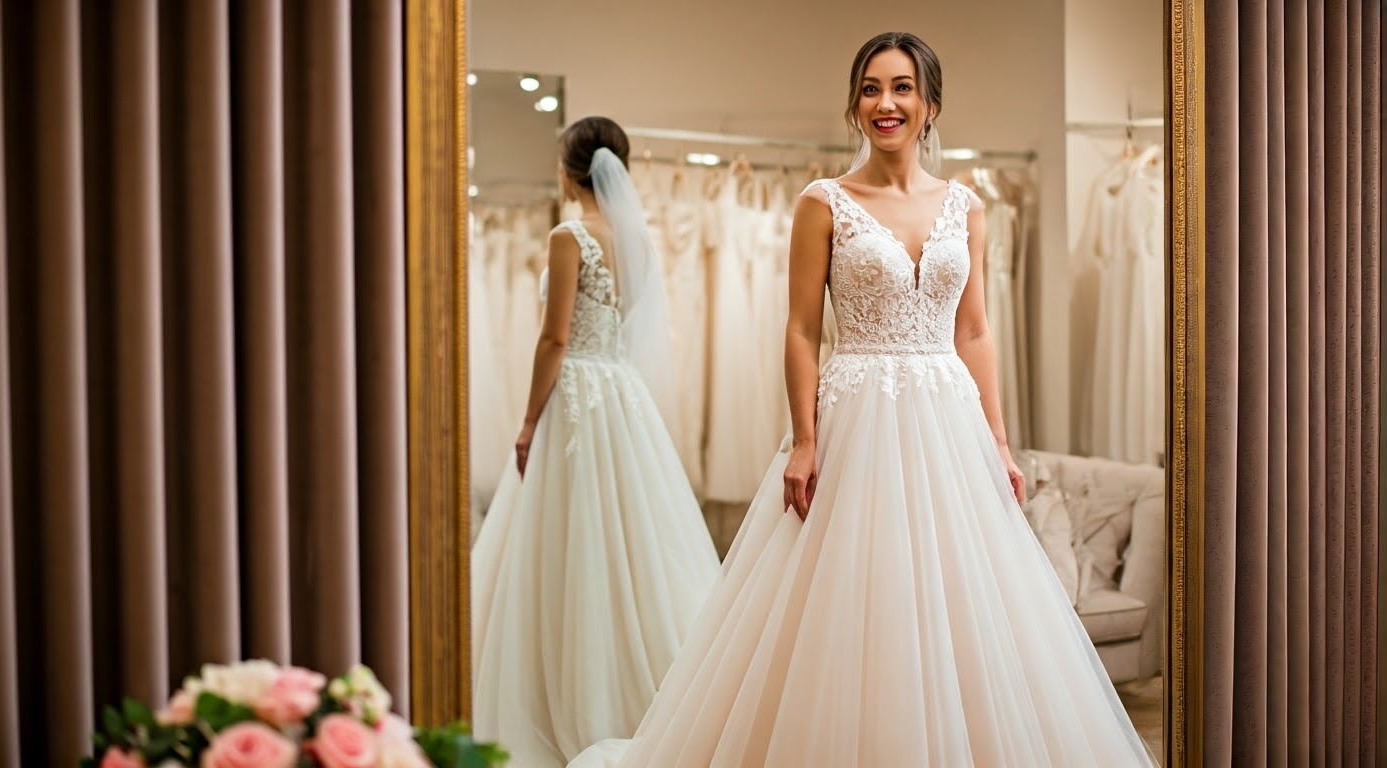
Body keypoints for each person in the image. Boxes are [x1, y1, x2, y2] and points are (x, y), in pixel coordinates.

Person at [568, 33, 1156, 767]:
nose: (887, 103)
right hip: (857, 419)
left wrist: (1000, 441)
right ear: (854, 105)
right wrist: (805, 439)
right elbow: (801, 329)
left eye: (903, 88)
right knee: (850, 596)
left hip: (947, 418)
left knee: (959, 601)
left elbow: (975, 330)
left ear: (930, 105)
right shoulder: (824, 202)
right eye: (873, 88)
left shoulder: (966, 207)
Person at [471, 116, 721, 768]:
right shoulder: (635, 239)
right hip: (620, 393)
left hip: (576, 395)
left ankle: (569, 691)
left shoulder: (569, 234)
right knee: (630, 543)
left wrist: (528, 421)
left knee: (567, 542)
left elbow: (554, 339)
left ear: (567, 168)